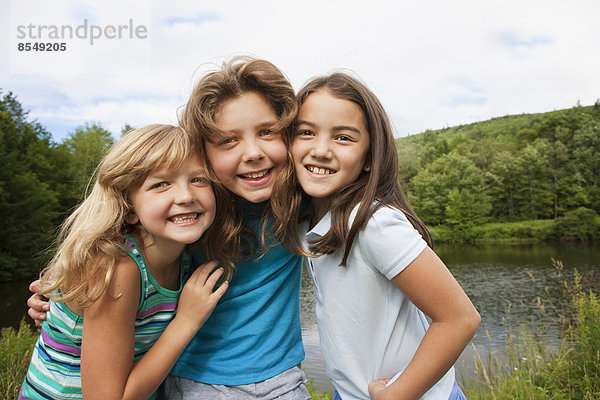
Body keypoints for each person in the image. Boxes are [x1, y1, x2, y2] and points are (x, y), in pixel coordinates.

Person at [29, 57, 310, 399]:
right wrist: (64, 300)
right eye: (227, 140)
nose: (186, 196)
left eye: (267, 131)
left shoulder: (292, 199)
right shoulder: (135, 258)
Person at [283, 73, 481, 400]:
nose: (320, 149)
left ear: (369, 158)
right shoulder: (309, 220)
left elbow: (459, 318)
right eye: (306, 132)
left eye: (343, 138)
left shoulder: (373, 223)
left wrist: (397, 394)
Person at [19, 124, 228, 400]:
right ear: (129, 209)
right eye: (160, 184)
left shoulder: (186, 258)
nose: (186, 196)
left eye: (198, 179)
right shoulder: (117, 269)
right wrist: (186, 321)